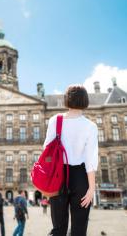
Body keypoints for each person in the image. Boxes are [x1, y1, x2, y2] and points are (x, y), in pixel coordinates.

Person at [44, 85, 98, 236]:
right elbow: (90, 160)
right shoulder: (90, 126)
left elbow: (47, 149)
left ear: (66, 100)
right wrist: (91, 188)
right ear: (85, 101)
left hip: (58, 176)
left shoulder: (55, 120)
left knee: (58, 229)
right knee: (79, 230)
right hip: (81, 176)